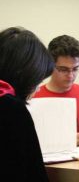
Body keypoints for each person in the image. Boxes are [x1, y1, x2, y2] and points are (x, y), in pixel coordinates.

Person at [0, 27, 54, 181]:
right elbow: (33, 174)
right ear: (25, 74)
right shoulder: (11, 109)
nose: (38, 88)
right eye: (39, 79)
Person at [34, 35, 79, 146]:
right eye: (63, 69)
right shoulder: (35, 97)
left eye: (75, 68)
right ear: (50, 65)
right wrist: (71, 141)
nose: (71, 75)